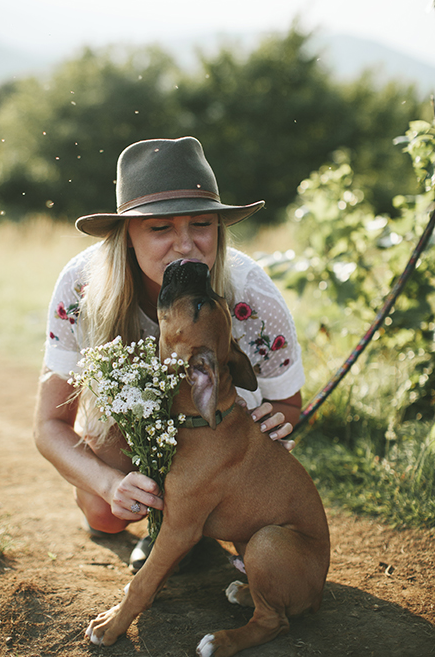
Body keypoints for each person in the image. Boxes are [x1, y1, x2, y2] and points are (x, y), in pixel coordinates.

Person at [33, 136, 304, 570]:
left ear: (219, 228)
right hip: (128, 432)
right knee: (104, 516)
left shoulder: (251, 294)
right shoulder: (81, 286)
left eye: (201, 224)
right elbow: (47, 424)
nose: (185, 245)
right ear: (127, 235)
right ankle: (154, 518)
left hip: (218, 441)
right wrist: (107, 484)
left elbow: (289, 404)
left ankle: (194, 528)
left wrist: (275, 421)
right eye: (160, 228)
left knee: (257, 542)